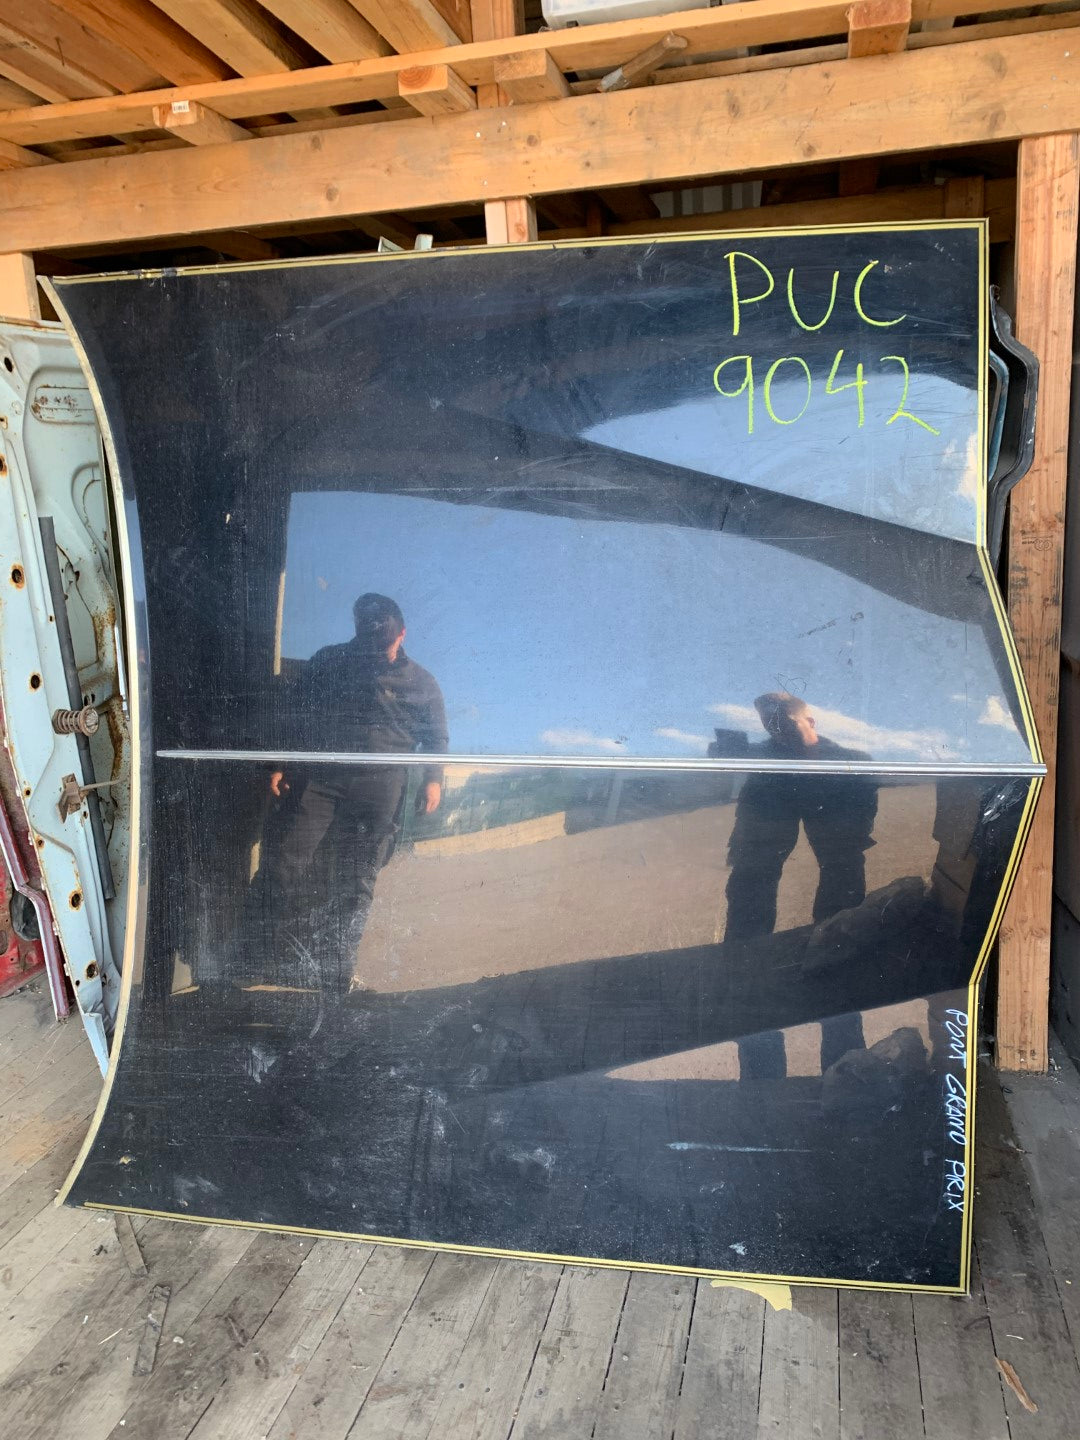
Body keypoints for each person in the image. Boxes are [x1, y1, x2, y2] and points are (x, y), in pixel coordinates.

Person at [253, 593, 448, 996]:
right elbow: (294, 713)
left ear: (402, 635)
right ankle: (251, 959)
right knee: (285, 860)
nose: (375, 653)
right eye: (368, 644)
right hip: (321, 778)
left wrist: (433, 779)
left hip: (381, 785)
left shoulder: (422, 682)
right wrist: (277, 762)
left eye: (384, 645)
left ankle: (334, 976)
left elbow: (436, 737)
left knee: (357, 878)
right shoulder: (329, 661)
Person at [724, 692, 878, 1077]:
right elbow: (750, 864)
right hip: (775, 784)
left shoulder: (849, 761)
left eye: (785, 723)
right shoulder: (764, 761)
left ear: (810, 721)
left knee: (842, 872)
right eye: (770, 726)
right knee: (752, 877)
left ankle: (835, 963)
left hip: (832, 781)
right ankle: (746, 971)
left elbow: (849, 850)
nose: (778, 732)